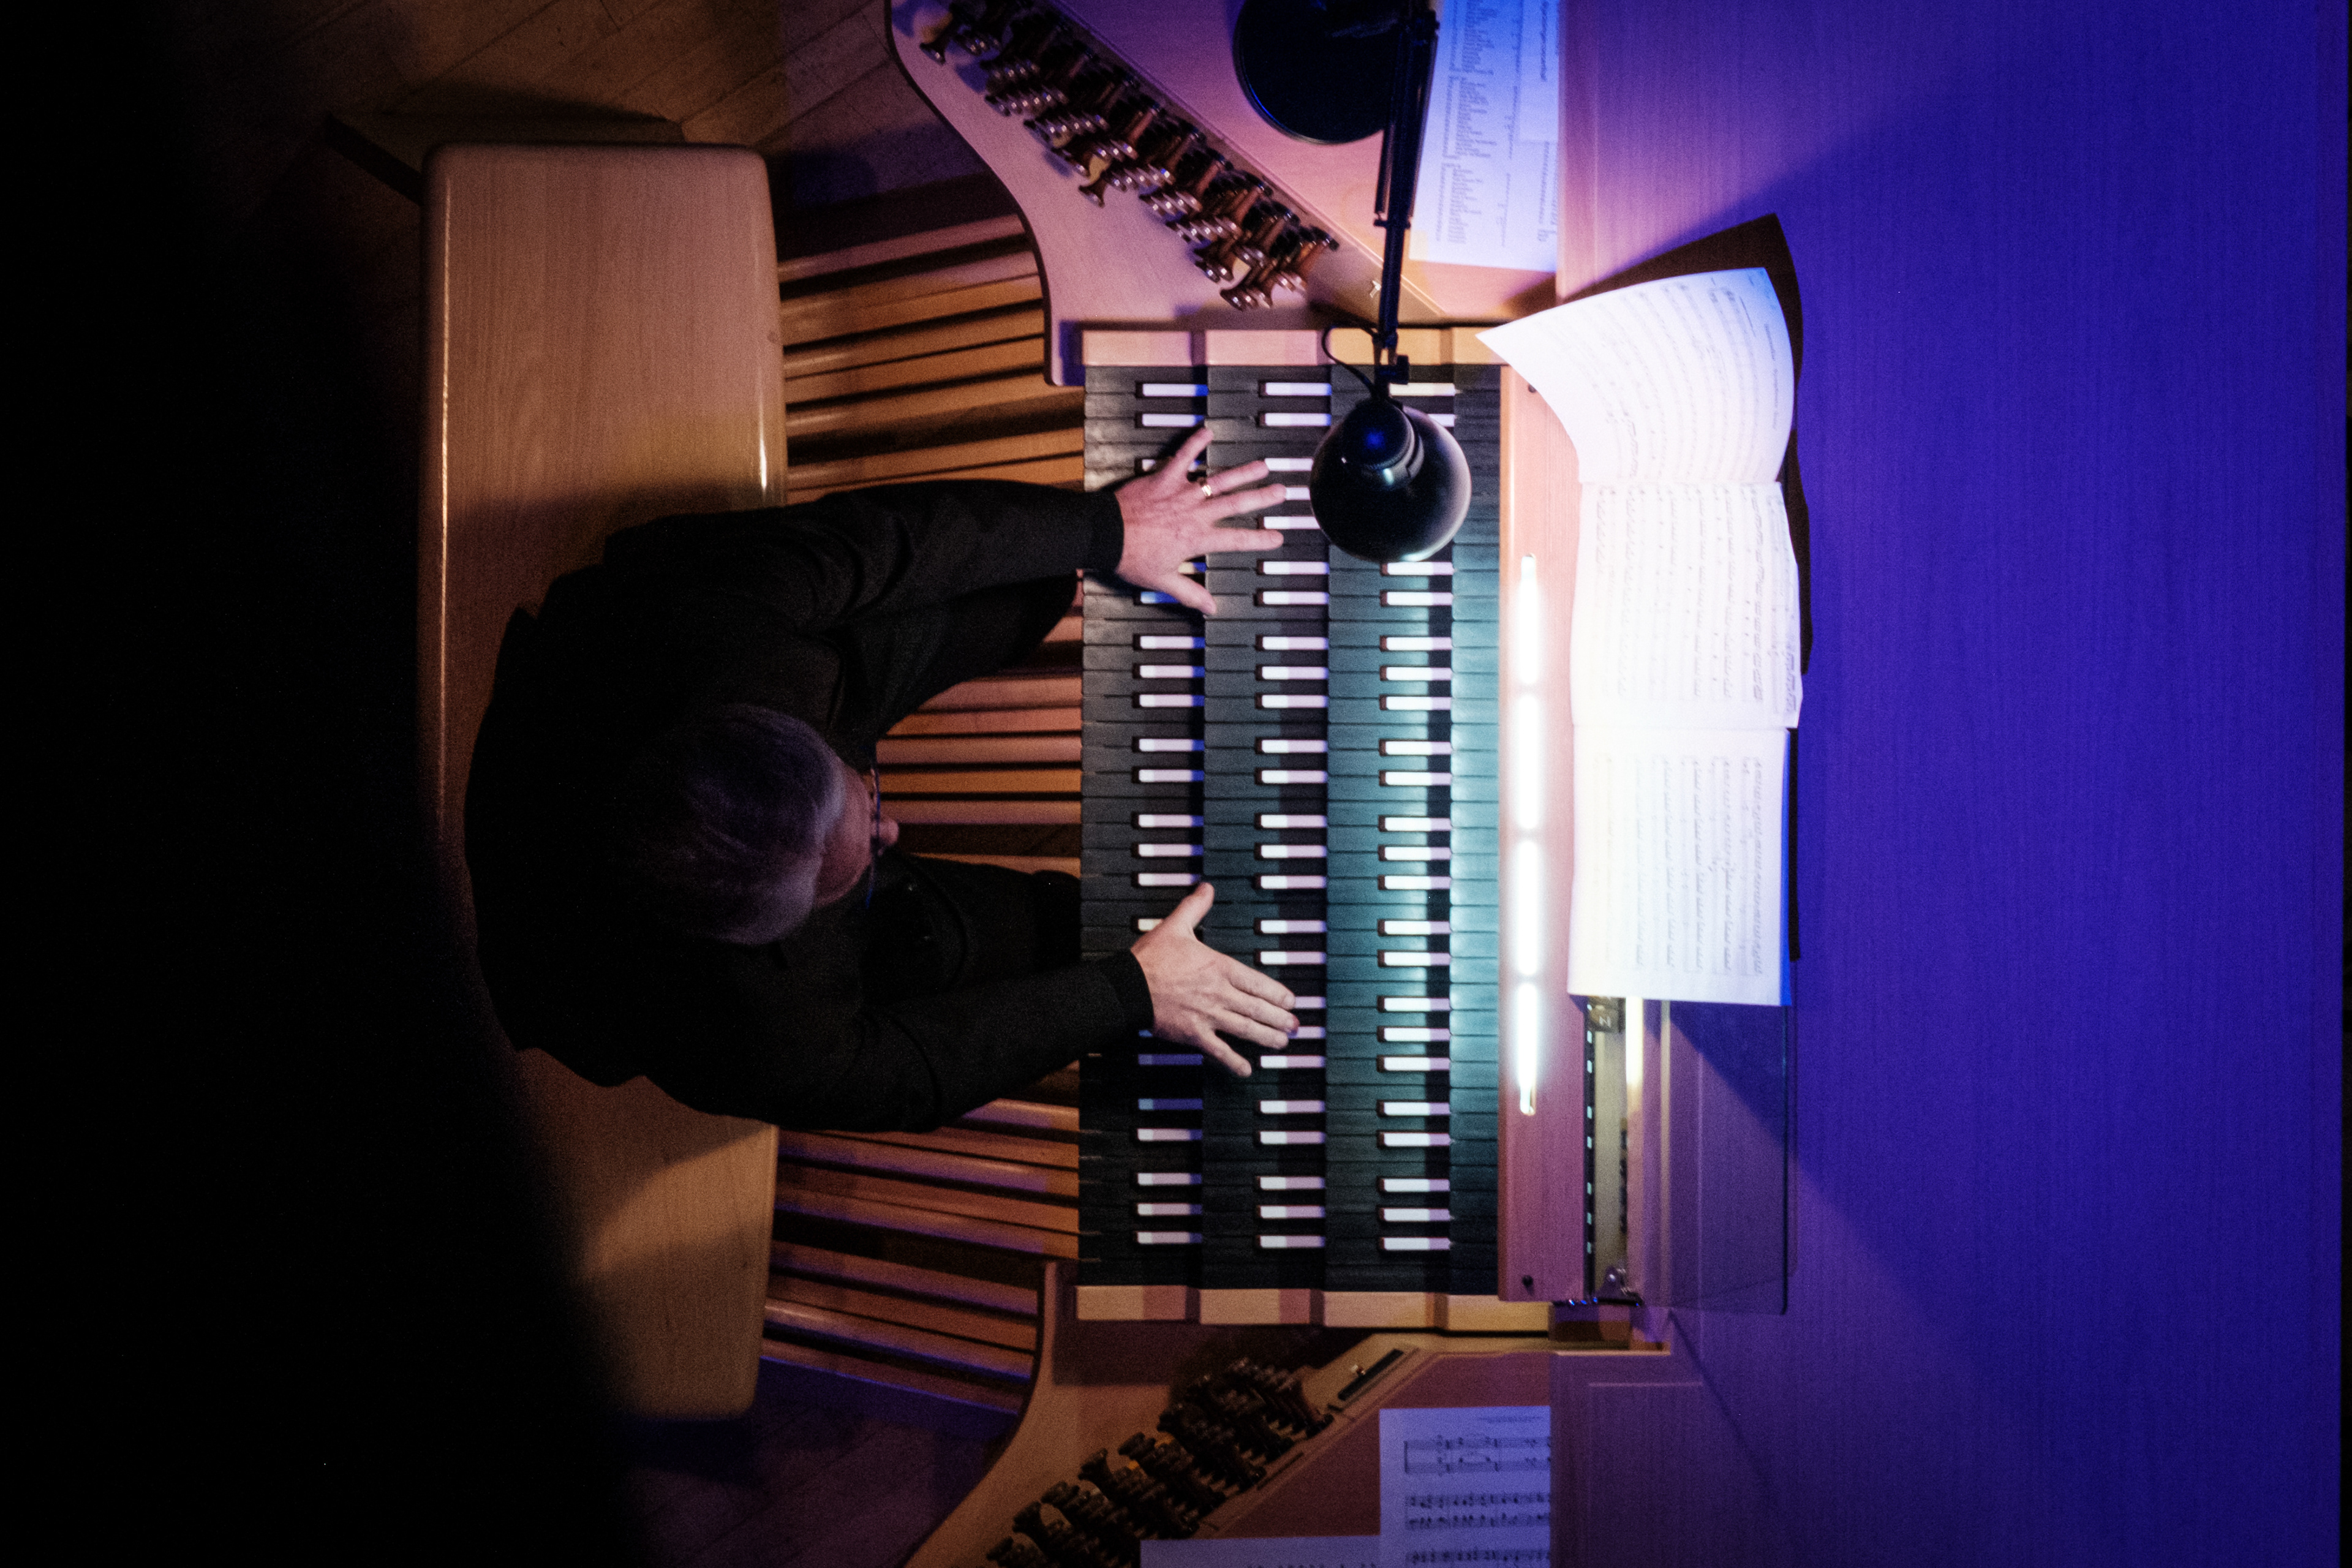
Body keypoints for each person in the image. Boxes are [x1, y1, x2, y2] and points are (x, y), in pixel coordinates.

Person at [466, 427, 1300, 1131]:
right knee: (1065, 950)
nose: (891, 829)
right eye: (854, 863)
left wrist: (1107, 529)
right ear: (776, 935)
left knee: (1026, 573)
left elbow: (890, 539)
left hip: (631, 679)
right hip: (598, 929)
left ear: (778, 731)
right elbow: (917, 1072)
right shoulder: (753, 1038)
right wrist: (1133, 990)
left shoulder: (724, 628)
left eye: (863, 804)